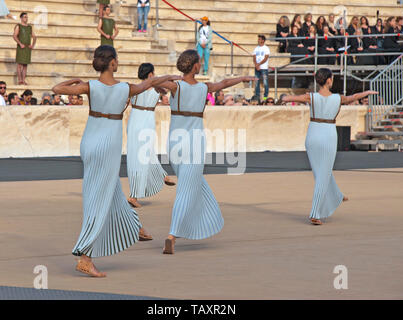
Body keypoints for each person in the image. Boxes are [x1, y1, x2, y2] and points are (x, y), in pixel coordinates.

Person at [52, 45, 181, 277]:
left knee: (107, 188)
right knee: (99, 198)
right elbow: (149, 84)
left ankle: (134, 226)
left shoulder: (90, 86)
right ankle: (85, 257)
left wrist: (75, 80)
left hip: (89, 143)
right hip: (108, 145)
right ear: (112, 62)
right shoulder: (124, 88)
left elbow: (56, 88)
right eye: (117, 60)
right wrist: (168, 77)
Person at [158, 49, 255, 254]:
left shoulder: (176, 87)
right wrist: (244, 77)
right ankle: (172, 234)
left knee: (190, 184)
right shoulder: (203, 88)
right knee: (186, 188)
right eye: (199, 63)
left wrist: (169, 78)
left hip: (174, 143)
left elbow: (154, 83)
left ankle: (190, 226)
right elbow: (224, 84)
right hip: (193, 143)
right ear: (194, 66)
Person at [281, 68, 377, 225]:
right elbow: (353, 97)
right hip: (328, 134)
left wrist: (284, 97)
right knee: (323, 175)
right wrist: (367, 92)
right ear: (329, 80)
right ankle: (315, 213)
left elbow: (290, 98)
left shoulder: (310, 97)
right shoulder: (338, 98)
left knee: (322, 172)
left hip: (312, 134)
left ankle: (337, 196)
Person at [127, 63, 176, 208]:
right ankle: (134, 196)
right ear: (150, 74)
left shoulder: (135, 87)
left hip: (136, 119)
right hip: (145, 119)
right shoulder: (155, 88)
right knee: (141, 156)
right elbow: (168, 88)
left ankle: (162, 175)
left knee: (144, 153)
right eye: (153, 73)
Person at [13, 13, 37, 85]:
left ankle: (23, 80)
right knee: (19, 64)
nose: (26, 18)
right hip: (21, 47)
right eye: (24, 17)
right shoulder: (18, 26)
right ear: (21, 18)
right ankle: (20, 80)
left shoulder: (29, 27)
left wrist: (32, 45)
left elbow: (34, 37)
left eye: (27, 17)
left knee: (25, 65)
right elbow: (14, 36)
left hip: (27, 48)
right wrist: (20, 43)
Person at [252, 34, 270, 102]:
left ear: (263, 40)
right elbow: (254, 57)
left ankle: (265, 97)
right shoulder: (256, 48)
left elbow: (265, 58)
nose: (258, 40)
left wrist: (258, 64)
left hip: (264, 68)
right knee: (257, 82)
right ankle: (257, 97)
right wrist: (256, 65)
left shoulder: (266, 48)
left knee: (265, 83)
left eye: (259, 39)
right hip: (257, 68)